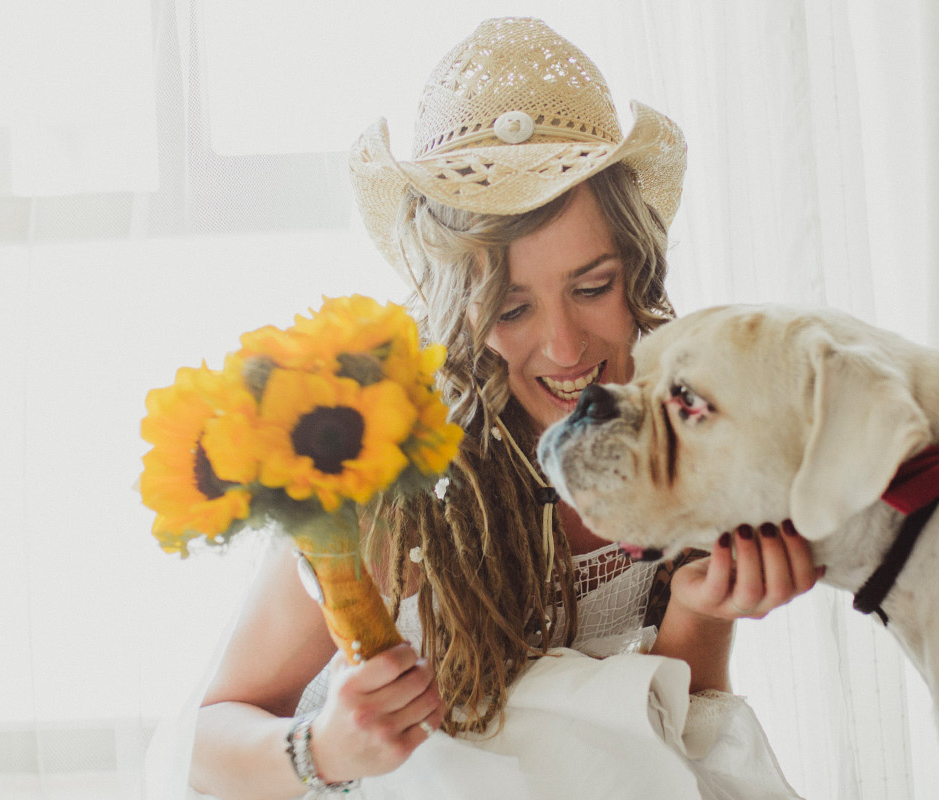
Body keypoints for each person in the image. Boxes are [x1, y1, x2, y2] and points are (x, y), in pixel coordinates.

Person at [179, 18, 821, 800]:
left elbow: (654, 739)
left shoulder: (685, 438)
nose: (563, 347)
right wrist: (324, 747)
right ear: (458, 314)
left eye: (593, 288)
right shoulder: (388, 476)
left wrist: (704, 613)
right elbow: (206, 743)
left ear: (640, 269)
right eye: (511, 308)